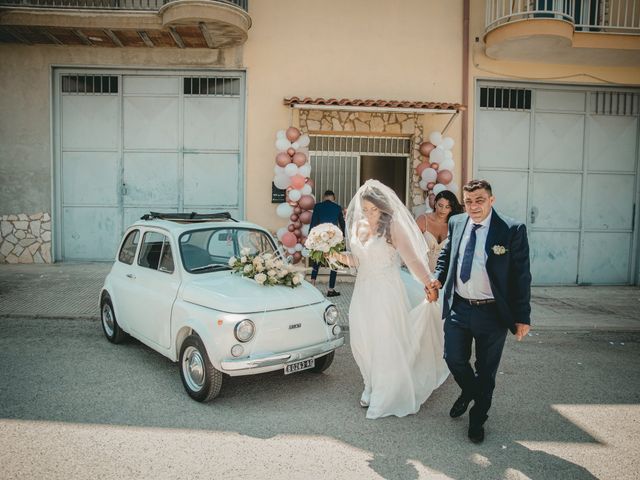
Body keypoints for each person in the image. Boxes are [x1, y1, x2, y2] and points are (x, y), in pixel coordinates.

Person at [331, 180, 448, 419]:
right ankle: (370, 384)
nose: (368, 213)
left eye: (373, 209)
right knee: (363, 340)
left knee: (385, 341)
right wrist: (333, 255)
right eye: (365, 209)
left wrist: (429, 282)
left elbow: (413, 259)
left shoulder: (393, 226)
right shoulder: (360, 226)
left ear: (383, 207)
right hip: (363, 291)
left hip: (387, 291)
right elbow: (357, 260)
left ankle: (384, 391)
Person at [428, 179, 531, 444]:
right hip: (459, 306)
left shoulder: (511, 229)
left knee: (486, 370)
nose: (474, 206)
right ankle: (471, 391)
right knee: (454, 359)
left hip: (493, 313)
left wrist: (522, 317)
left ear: (491, 200)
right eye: (469, 201)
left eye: (480, 200)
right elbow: (446, 254)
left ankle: (478, 418)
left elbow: (521, 275)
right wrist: (438, 277)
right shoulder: (457, 222)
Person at [309, 190, 345, 297]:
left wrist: (311, 237)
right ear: (333, 198)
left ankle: (312, 286)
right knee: (334, 263)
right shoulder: (337, 207)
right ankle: (330, 289)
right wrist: (344, 236)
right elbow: (342, 223)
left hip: (319, 236)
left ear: (324, 197)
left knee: (316, 261)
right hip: (333, 238)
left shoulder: (317, 206)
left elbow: (313, 222)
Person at [416, 190, 463, 271]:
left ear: (451, 209)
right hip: (423, 273)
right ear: (435, 204)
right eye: (440, 205)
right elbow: (410, 244)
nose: (443, 210)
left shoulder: (454, 225)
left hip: (444, 275)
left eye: (447, 207)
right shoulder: (423, 220)